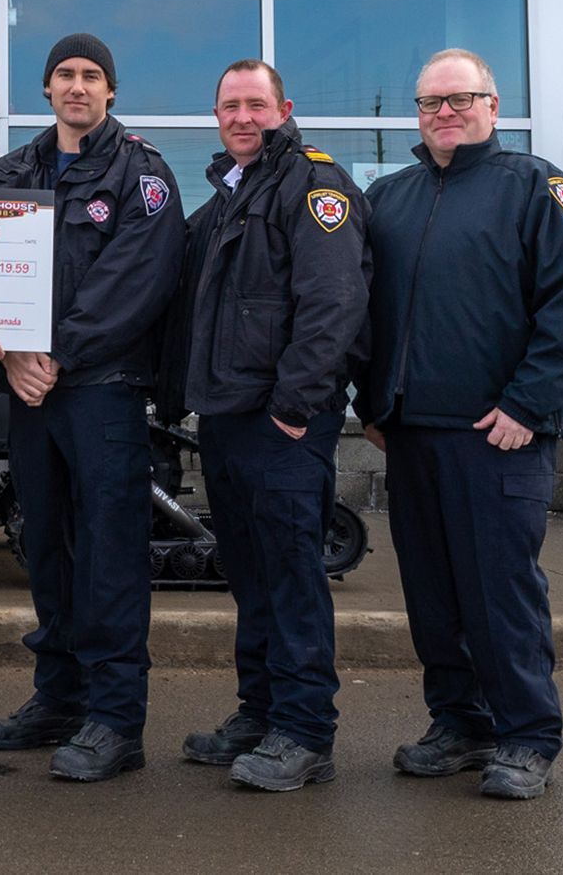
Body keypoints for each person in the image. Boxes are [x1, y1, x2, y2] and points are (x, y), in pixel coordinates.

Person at [360, 48, 563, 800]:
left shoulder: (539, 189)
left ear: (493, 105)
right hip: (410, 433)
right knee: (434, 597)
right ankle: (460, 724)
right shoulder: (389, 196)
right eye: (430, 103)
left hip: (498, 435)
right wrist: (372, 405)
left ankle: (526, 736)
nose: (445, 113)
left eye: (460, 98)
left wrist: (528, 405)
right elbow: (365, 310)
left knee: (500, 595)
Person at [0, 33, 184, 781]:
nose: (78, 86)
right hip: (31, 397)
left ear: (112, 91)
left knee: (109, 556)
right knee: (47, 548)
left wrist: (49, 352)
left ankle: (116, 720)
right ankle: (59, 697)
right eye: (65, 74)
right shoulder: (14, 172)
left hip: (102, 393)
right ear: (47, 88)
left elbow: (137, 281)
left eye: (93, 75)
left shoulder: (142, 175)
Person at [161, 60, 369, 791]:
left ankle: (306, 732)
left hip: (281, 424)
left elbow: (333, 304)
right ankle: (261, 712)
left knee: (290, 576)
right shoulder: (227, 193)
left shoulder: (315, 185)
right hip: (225, 417)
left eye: (255, 105)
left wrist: (293, 408)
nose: (242, 117)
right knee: (249, 577)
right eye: (229, 106)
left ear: (284, 107)